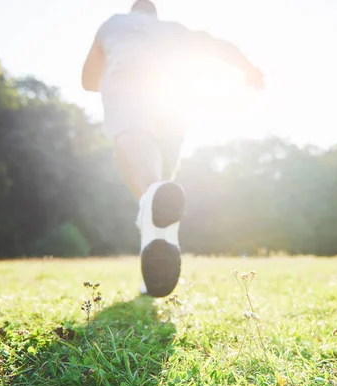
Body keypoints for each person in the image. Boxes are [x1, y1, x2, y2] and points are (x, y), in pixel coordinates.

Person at [81, 0, 264, 298]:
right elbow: (219, 45)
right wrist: (249, 70)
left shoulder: (113, 23)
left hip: (127, 82)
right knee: (158, 193)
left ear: (133, 10)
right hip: (172, 97)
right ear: (154, 13)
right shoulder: (173, 29)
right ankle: (151, 241)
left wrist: (108, 79)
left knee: (134, 145)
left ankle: (151, 195)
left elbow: (87, 79)